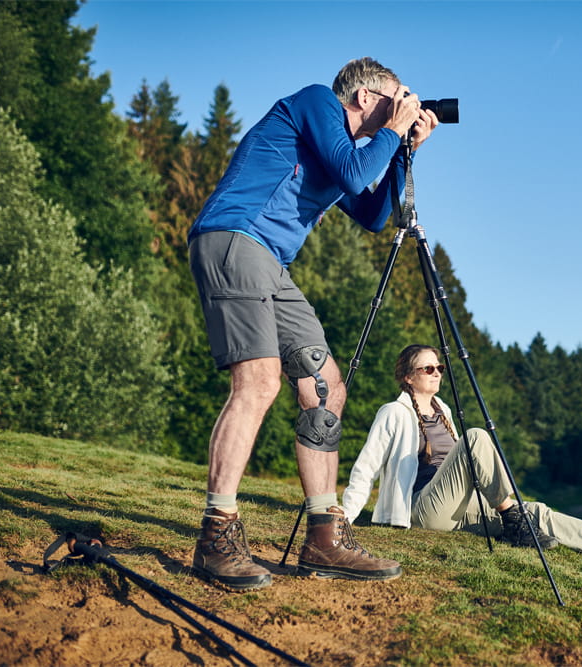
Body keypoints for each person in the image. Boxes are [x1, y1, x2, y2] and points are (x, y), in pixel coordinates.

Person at [186, 58, 439, 591]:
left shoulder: (349, 150)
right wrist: (393, 133)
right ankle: (216, 535)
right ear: (366, 97)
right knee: (258, 383)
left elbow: (373, 214)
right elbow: (354, 173)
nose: (405, 104)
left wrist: (406, 148)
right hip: (234, 238)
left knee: (325, 390)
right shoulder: (317, 102)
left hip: (271, 263)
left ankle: (324, 538)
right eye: (397, 95)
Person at [343, 345, 582, 564]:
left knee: (534, 511)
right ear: (407, 376)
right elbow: (366, 466)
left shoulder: (442, 410)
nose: (437, 372)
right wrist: (342, 518)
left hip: (455, 505)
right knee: (475, 437)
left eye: (439, 366)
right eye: (428, 368)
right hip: (420, 510)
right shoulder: (393, 412)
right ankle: (512, 519)